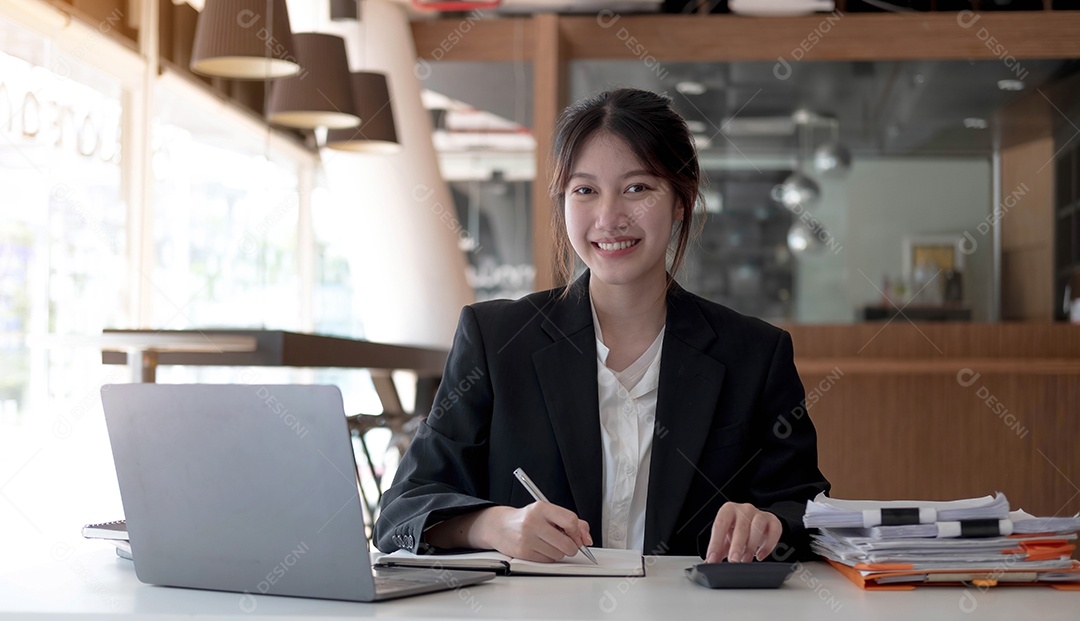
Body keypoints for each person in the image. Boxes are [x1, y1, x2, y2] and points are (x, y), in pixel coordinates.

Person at [374, 88, 829, 564]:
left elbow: (808, 512)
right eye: (585, 190)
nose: (609, 218)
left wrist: (770, 524)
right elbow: (401, 512)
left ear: (681, 199)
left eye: (637, 188)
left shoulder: (754, 353)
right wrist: (493, 525)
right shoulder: (496, 339)